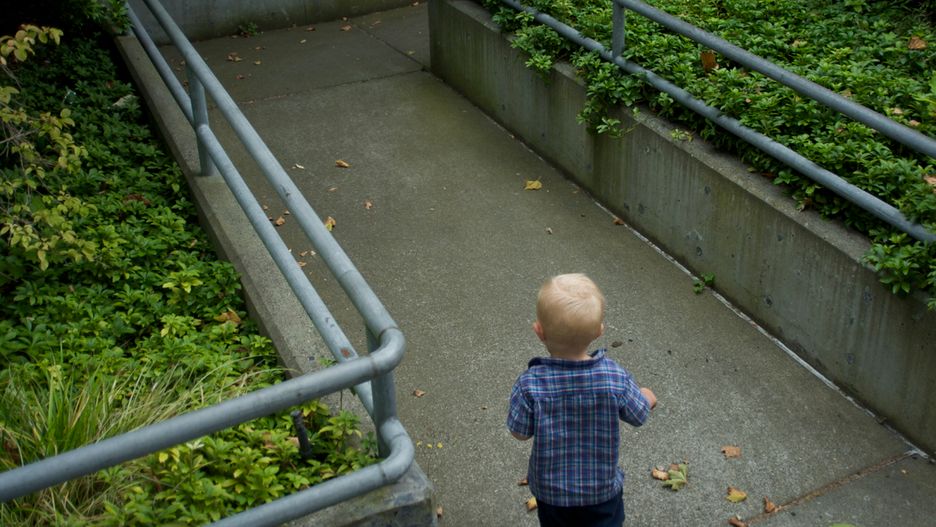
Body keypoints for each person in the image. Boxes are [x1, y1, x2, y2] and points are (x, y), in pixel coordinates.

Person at [507, 273, 657, 527]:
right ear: (599, 331)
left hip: (551, 494)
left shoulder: (530, 384)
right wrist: (647, 396)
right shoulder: (613, 377)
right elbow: (639, 415)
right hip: (600, 492)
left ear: (539, 331)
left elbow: (519, 433)